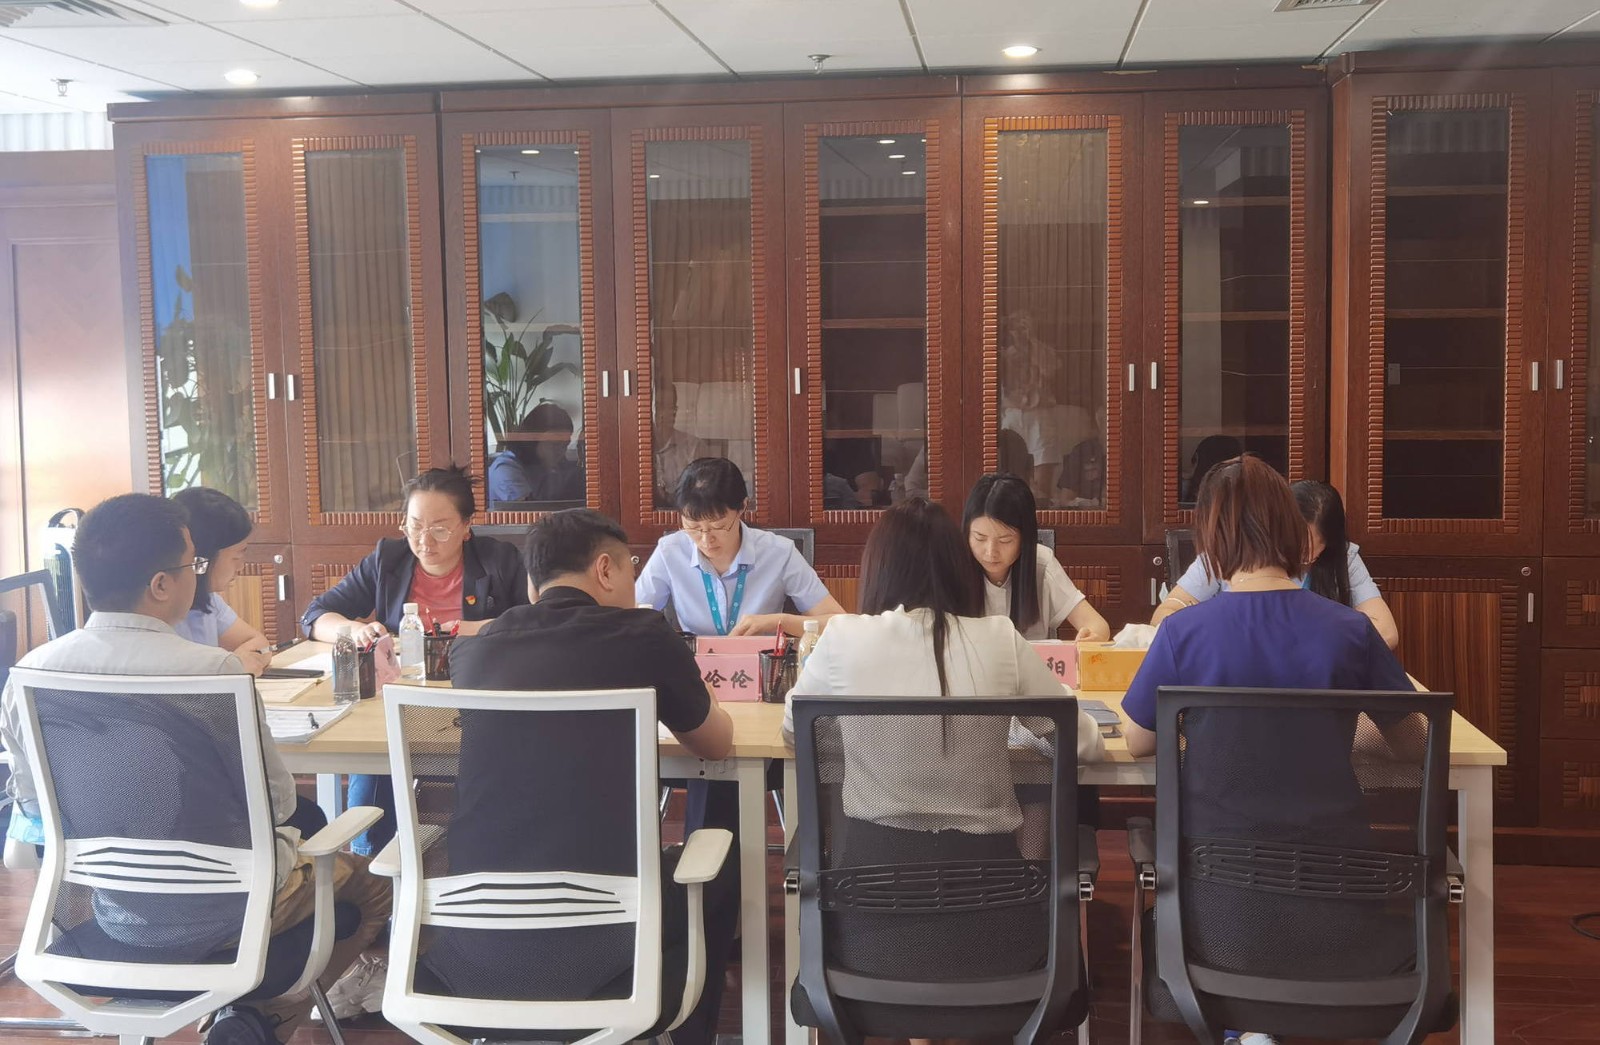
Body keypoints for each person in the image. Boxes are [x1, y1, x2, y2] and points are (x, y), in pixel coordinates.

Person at [0, 494, 389, 1045]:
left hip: (113, 917)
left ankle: (241, 1019)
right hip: (234, 915)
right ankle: (265, 1019)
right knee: (376, 885)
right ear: (162, 585)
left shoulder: (29, 673)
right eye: (193, 564)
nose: (198, 575)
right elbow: (279, 805)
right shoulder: (214, 672)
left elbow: (34, 806)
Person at [1121, 456, 1422, 1045]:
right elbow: (1414, 744)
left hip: (1219, 918)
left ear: (1213, 542)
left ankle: (1248, 1026)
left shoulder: (1185, 632)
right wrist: (1345, 725)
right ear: (1293, 532)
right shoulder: (1350, 630)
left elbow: (1138, 740)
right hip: (1340, 911)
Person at [782, 498, 1104, 990]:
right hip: (997, 919)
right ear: (958, 565)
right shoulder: (1000, 638)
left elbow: (795, 731)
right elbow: (1082, 742)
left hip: (866, 921)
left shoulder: (842, 638)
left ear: (877, 569)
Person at [441, 508, 734, 1044]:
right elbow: (716, 745)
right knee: (722, 866)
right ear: (605, 569)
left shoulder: (472, 650)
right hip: (612, 949)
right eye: (629, 571)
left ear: (533, 585)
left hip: (474, 953)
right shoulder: (643, 636)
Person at [300, 465, 528, 860]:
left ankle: (474, 859)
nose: (424, 540)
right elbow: (316, 615)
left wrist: (475, 628)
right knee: (372, 765)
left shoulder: (499, 560)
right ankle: (369, 864)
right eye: (415, 525)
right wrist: (355, 631)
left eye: (440, 529)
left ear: (466, 527)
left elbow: (534, 621)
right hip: (401, 701)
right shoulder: (387, 559)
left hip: (475, 700)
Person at [1152, 477, 1399, 649]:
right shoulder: (1229, 553)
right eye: (1285, 537)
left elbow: (1387, 633)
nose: (1289, 550)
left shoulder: (1344, 559)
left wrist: (1313, 643)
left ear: (1328, 544)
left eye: (1305, 547)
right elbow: (1165, 618)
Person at [635, 457, 845, 638]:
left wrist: (778, 621)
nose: (706, 540)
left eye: (718, 526)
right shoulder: (670, 551)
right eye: (693, 527)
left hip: (758, 667)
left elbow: (839, 623)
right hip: (693, 667)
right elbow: (631, 618)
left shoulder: (779, 552)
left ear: (742, 507)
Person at [963, 473, 1111, 642]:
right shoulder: (953, 565)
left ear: (1025, 538)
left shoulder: (1041, 563)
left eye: (1005, 540)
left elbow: (1098, 626)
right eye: (980, 538)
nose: (990, 552)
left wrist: (1091, 637)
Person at [170, 487, 272, 676]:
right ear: (203, 556)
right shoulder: (161, 610)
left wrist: (235, 663)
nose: (241, 566)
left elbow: (259, 643)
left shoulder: (209, 600)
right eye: (236, 556)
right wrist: (232, 666)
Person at [486, 401, 584, 506]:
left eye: (565, 445)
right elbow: (530, 510)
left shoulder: (551, 464)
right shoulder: (506, 469)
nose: (561, 451)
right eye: (555, 444)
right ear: (532, 441)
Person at [652, 373, 707, 509]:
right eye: (658, 406)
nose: (663, 413)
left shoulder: (694, 447)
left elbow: (704, 498)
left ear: (675, 411)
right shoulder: (634, 447)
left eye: (670, 407)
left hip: (684, 517)